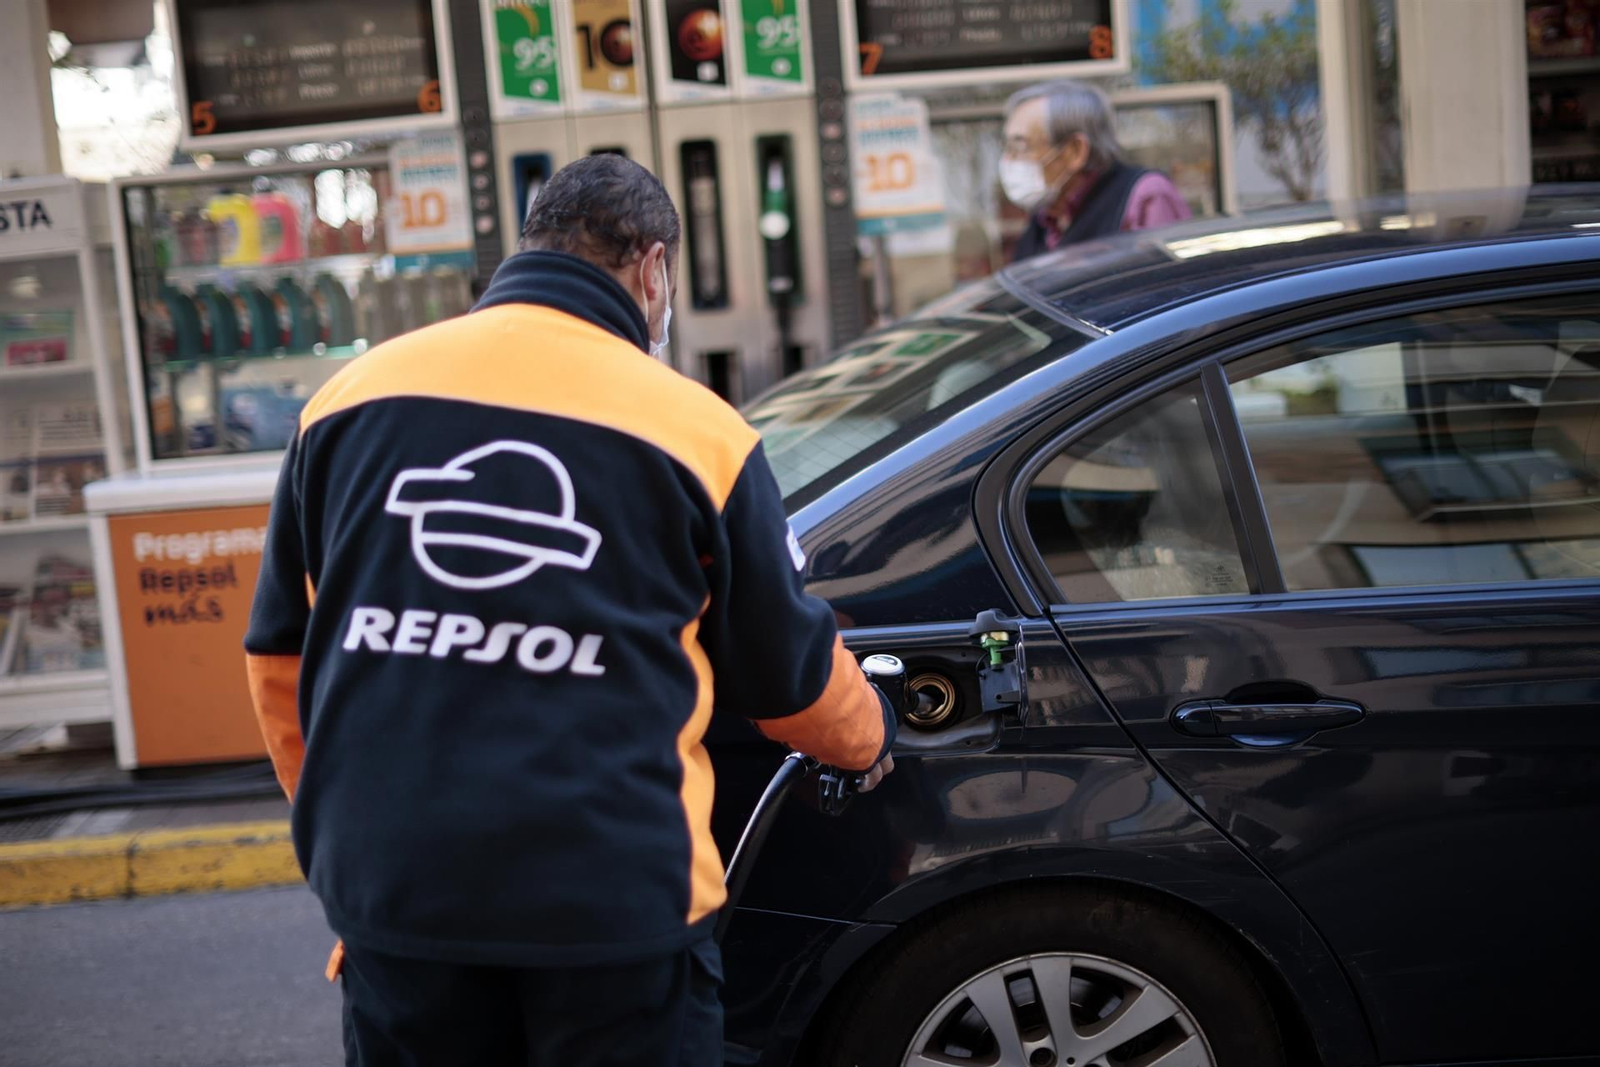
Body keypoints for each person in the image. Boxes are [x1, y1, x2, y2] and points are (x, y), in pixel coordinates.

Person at [243, 153, 896, 1067]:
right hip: (616, 915)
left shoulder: (348, 402)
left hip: (400, 902)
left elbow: (281, 663)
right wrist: (868, 734)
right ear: (653, 267)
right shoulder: (694, 431)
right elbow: (789, 679)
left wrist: (354, 846)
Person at [1001, 80, 1192, 262]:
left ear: (1075, 151)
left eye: (1020, 147)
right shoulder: (1045, 218)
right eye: (1007, 147)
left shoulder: (1145, 196)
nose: (1007, 160)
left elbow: (1173, 288)